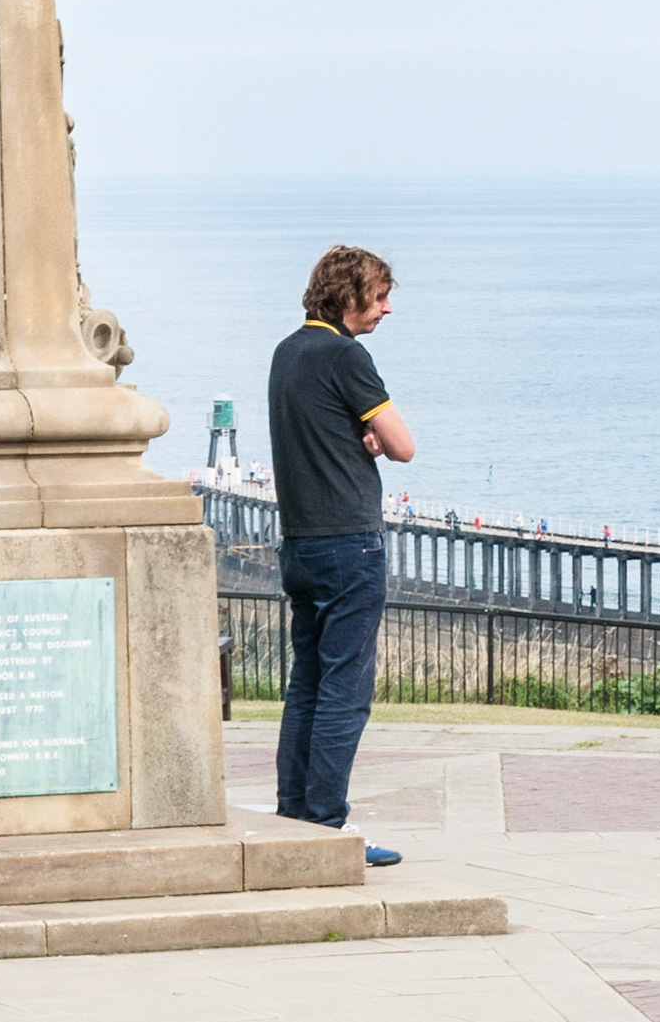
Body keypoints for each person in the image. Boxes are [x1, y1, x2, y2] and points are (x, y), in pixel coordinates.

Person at [268, 246, 416, 867]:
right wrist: (377, 442)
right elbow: (405, 446)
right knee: (345, 690)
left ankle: (293, 819)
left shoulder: (287, 352)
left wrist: (362, 439)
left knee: (306, 684)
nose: (386, 309)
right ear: (347, 294)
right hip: (349, 542)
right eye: (379, 296)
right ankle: (327, 827)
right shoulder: (345, 354)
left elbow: (321, 434)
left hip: (299, 542)